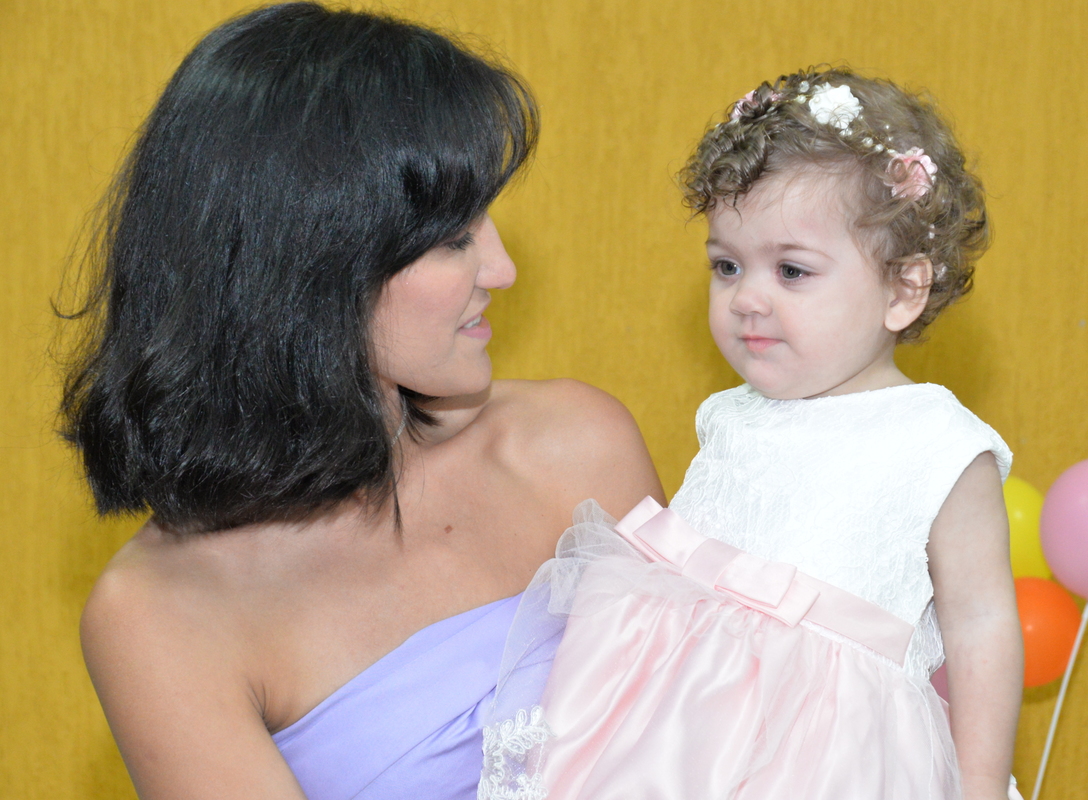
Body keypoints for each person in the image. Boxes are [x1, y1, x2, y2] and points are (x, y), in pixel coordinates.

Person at [61, 4, 663, 799]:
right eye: (453, 237)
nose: (502, 269)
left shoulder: (573, 445)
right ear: (309, 262)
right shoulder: (159, 611)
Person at [479, 67, 1023, 800]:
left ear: (903, 288)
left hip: (827, 755)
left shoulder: (939, 442)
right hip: (677, 742)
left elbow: (982, 625)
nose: (746, 298)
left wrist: (979, 786)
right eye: (727, 266)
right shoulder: (730, 414)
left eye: (791, 271)